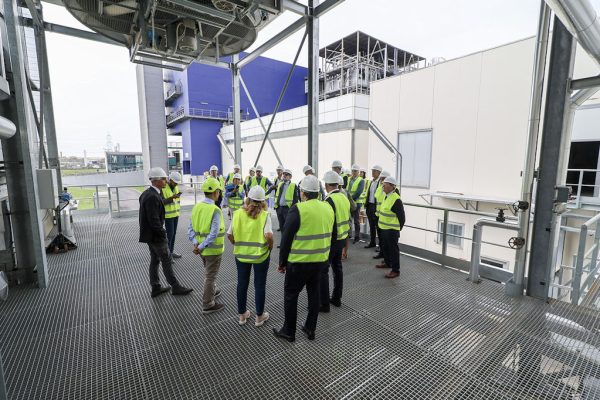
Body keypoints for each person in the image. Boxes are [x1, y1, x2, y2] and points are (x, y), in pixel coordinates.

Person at [273, 175, 334, 342]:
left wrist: (282, 263)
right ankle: (310, 328)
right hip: (320, 261)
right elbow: (332, 234)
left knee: (291, 295)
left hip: (299, 263)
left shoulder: (298, 209)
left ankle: (289, 331)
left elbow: (286, 239)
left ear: (303, 193)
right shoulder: (328, 207)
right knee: (314, 295)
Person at [139, 167, 192, 298]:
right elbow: (154, 219)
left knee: (155, 260)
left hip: (150, 236)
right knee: (166, 260)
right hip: (156, 236)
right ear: (156, 181)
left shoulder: (147, 193)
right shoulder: (153, 196)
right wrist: (162, 234)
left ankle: (155, 287)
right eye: (163, 179)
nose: (165, 181)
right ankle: (175, 286)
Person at [227, 186, 273, 326]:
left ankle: (242, 315)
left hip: (241, 255)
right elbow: (269, 235)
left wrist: (237, 243)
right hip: (260, 256)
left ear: (248, 198)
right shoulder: (265, 215)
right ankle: (259, 317)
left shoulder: (237, 214)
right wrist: (270, 246)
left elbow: (229, 235)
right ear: (263, 201)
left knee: (242, 283)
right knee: (259, 285)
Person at [189, 177, 225, 314]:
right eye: (219, 191)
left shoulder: (197, 207)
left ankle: (214, 290)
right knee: (210, 276)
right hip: (212, 250)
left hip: (201, 250)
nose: (220, 194)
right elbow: (214, 233)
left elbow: (190, 228)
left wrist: (196, 244)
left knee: (209, 272)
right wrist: (202, 246)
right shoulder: (215, 210)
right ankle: (208, 304)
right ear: (216, 192)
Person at [320, 171, 350, 312]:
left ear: (326, 185)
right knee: (337, 268)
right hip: (342, 238)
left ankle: (324, 304)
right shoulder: (344, 197)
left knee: (323, 270)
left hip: (332, 240)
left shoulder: (329, 200)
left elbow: (327, 222)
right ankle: (336, 298)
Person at [376, 176, 406, 278]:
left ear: (392, 186)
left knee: (393, 250)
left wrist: (397, 228)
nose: (383, 186)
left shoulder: (396, 199)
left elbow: (402, 218)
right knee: (385, 248)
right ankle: (388, 263)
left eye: (385, 184)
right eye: (383, 184)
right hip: (384, 228)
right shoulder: (386, 196)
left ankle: (395, 270)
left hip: (391, 230)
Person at [162, 171, 183, 258]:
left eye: (177, 183)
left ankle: (171, 252)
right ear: (170, 180)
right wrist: (172, 198)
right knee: (169, 236)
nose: (176, 184)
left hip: (175, 215)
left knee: (173, 235)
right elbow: (161, 202)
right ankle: (167, 255)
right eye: (175, 182)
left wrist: (176, 196)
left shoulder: (175, 187)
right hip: (168, 216)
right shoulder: (163, 188)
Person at [274, 169, 299, 234]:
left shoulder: (293, 185)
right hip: (279, 208)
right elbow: (277, 195)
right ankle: (283, 243)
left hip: (287, 209)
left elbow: (295, 199)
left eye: (286, 174)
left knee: (287, 227)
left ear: (290, 177)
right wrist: (276, 207)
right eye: (284, 174)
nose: (284, 175)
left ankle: (288, 243)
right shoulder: (280, 184)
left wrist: (292, 210)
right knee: (281, 227)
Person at [346, 164, 365, 244]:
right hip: (349, 202)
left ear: (358, 172)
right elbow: (347, 190)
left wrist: (350, 200)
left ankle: (357, 237)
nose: (353, 172)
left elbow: (358, 192)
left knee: (356, 221)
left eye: (355, 171)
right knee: (348, 219)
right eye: (353, 171)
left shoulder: (361, 180)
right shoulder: (349, 179)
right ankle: (349, 235)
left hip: (357, 203)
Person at [365, 165, 382, 249]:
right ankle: (372, 242)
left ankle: (380, 245)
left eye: (374, 171)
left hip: (376, 207)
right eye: (372, 170)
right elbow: (369, 194)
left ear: (379, 172)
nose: (372, 172)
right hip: (370, 205)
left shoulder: (380, 183)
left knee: (378, 226)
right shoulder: (371, 181)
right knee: (371, 225)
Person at [374, 170, 390, 260]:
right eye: (381, 178)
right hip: (379, 215)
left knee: (386, 239)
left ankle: (387, 258)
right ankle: (382, 253)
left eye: (383, 179)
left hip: (386, 218)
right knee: (380, 237)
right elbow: (376, 196)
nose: (381, 180)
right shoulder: (380, 187)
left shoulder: (392, 190)